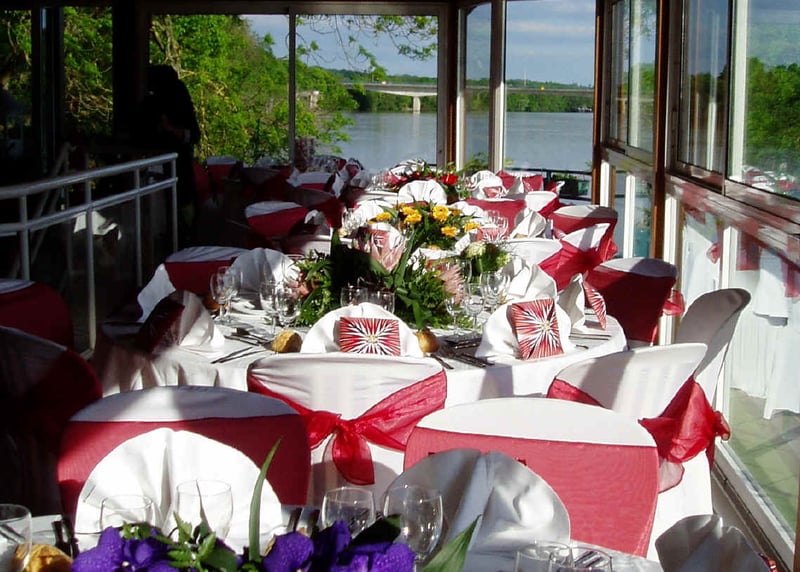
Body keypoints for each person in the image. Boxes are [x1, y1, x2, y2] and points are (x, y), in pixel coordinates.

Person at [133, 64, 201, 246]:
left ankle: (180, 244)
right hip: (154, 171)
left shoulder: (179, 97)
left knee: (179, 214)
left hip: (178, 168)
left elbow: (194, 134)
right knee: (156, 218)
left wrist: (172, 130)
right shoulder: (149, 103)